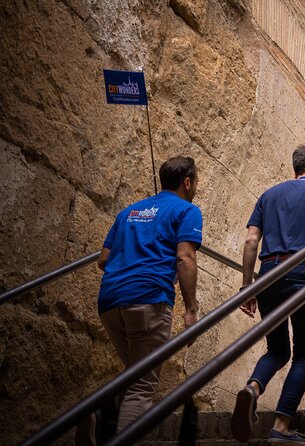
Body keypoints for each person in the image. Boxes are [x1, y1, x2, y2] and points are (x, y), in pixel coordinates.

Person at [232, 144, 305, 445]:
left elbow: (250, 240)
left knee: (277, 350)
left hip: (268, 275)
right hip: (303, 275)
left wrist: (248, 286)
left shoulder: (268, 195)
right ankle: (281, 426)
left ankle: (252, 389)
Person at [97, 156, 202, 432]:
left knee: (134, 373)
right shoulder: (186, 211)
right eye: (196, 183)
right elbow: (185, 259)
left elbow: (103, 259)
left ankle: (101, 419)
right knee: (142, 386)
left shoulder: (129, 212)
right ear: (187, 182)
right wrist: (190, 310)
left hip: (109, 300)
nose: (195, 190)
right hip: (148, 299)